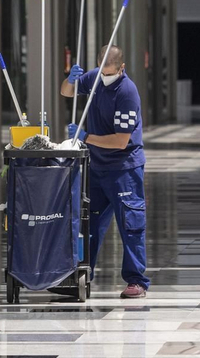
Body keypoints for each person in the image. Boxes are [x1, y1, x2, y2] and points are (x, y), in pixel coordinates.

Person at [62, 45, 148, 299]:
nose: (105, 77)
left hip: (124, 168)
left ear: (122, 68)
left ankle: (136, 280)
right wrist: (69, 80)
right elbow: (67, 93)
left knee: (130, 225)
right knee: (89, 225)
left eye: (110, 73)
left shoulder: (127, 93)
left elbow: (121, 141)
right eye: (102, 72)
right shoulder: (95, 77)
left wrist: (85, 136)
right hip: (96, 167)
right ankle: (84, 273)